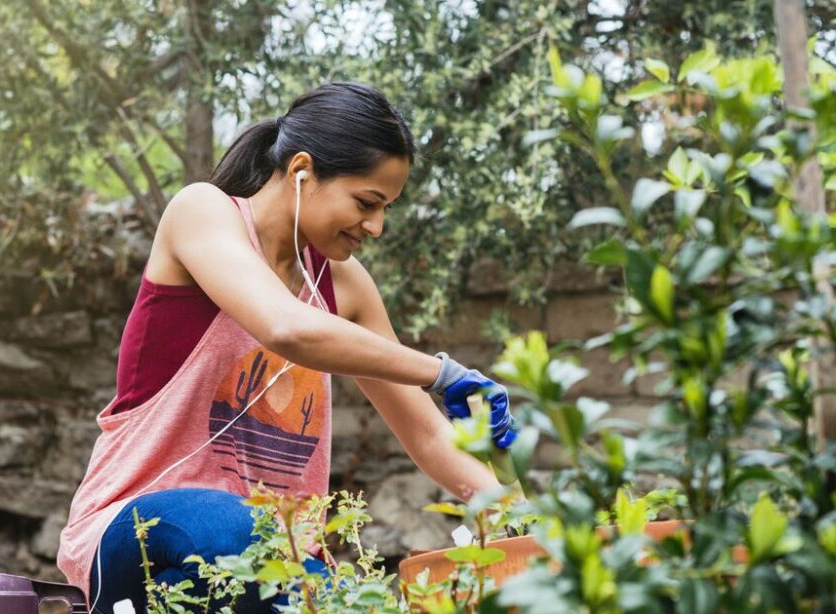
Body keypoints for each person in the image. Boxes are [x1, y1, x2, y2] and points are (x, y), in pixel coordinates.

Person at [57, 82, 516, 613]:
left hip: (280, 566)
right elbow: (286, 327)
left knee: (345, 596)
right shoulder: (202, 213)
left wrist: (523, 522)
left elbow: (431, 436)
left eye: (387, 208)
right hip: (137, 530)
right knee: (243, 534)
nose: (377, 226)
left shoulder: (344, 284)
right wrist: (442, 373)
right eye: (367, 203)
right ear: (302, 171)